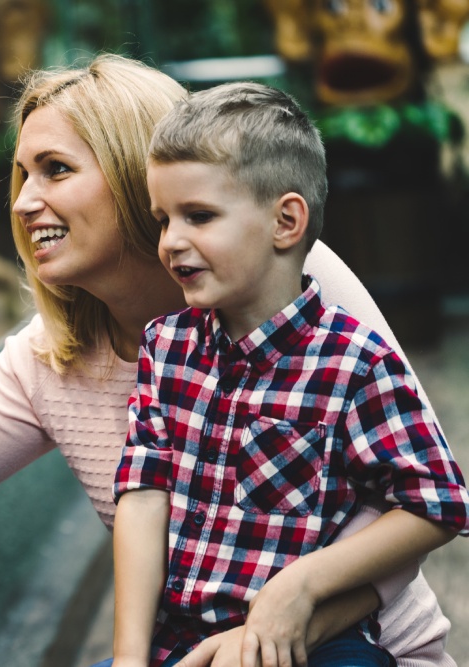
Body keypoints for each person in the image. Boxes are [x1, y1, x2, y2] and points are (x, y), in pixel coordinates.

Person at [0, 53, 457, 663]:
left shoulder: (290, 279)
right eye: (21, 175)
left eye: (56, 170)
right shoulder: (51, 356)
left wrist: (289, 607)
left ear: (134, 175)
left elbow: (420, 492)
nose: (25, 201)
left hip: (363, 645)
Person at [110, 81, 469, 667]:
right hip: (177, 642)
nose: (171, 241)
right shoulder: (165, 345)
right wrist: (128, 658)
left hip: (313, 644)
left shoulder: (355, 362)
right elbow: (144, 493)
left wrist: (300, 584)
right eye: (163, 219)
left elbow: (438, 504)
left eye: (198, 215)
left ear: (286, 222)